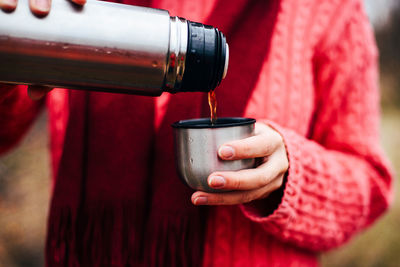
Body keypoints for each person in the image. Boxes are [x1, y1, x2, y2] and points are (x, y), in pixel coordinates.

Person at [0, 0, 394, 266]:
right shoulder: (79, 9)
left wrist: (290, 172)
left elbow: (370, 185)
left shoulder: (327, 10)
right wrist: (9, 57)